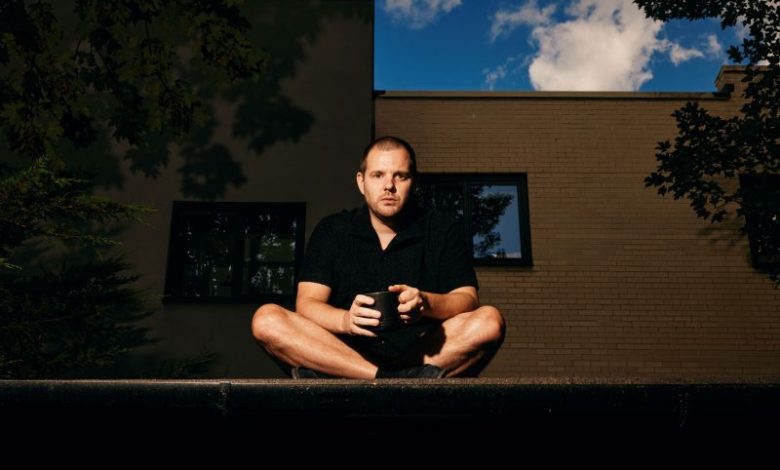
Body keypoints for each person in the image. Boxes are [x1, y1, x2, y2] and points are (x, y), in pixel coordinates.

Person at [251, 136, 505, 378]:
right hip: (344, 353)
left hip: (421, 355)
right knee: (266, 319)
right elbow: (307, 303)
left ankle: (393, 378)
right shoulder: (333, 229)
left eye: (400, 176)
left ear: (414, 182)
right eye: (378, 175)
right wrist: (345, 320)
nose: (389, 186)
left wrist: (426, 303)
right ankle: (383, 379)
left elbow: (468, 299)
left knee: (490, 321)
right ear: (361, 182)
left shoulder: (442, 228)